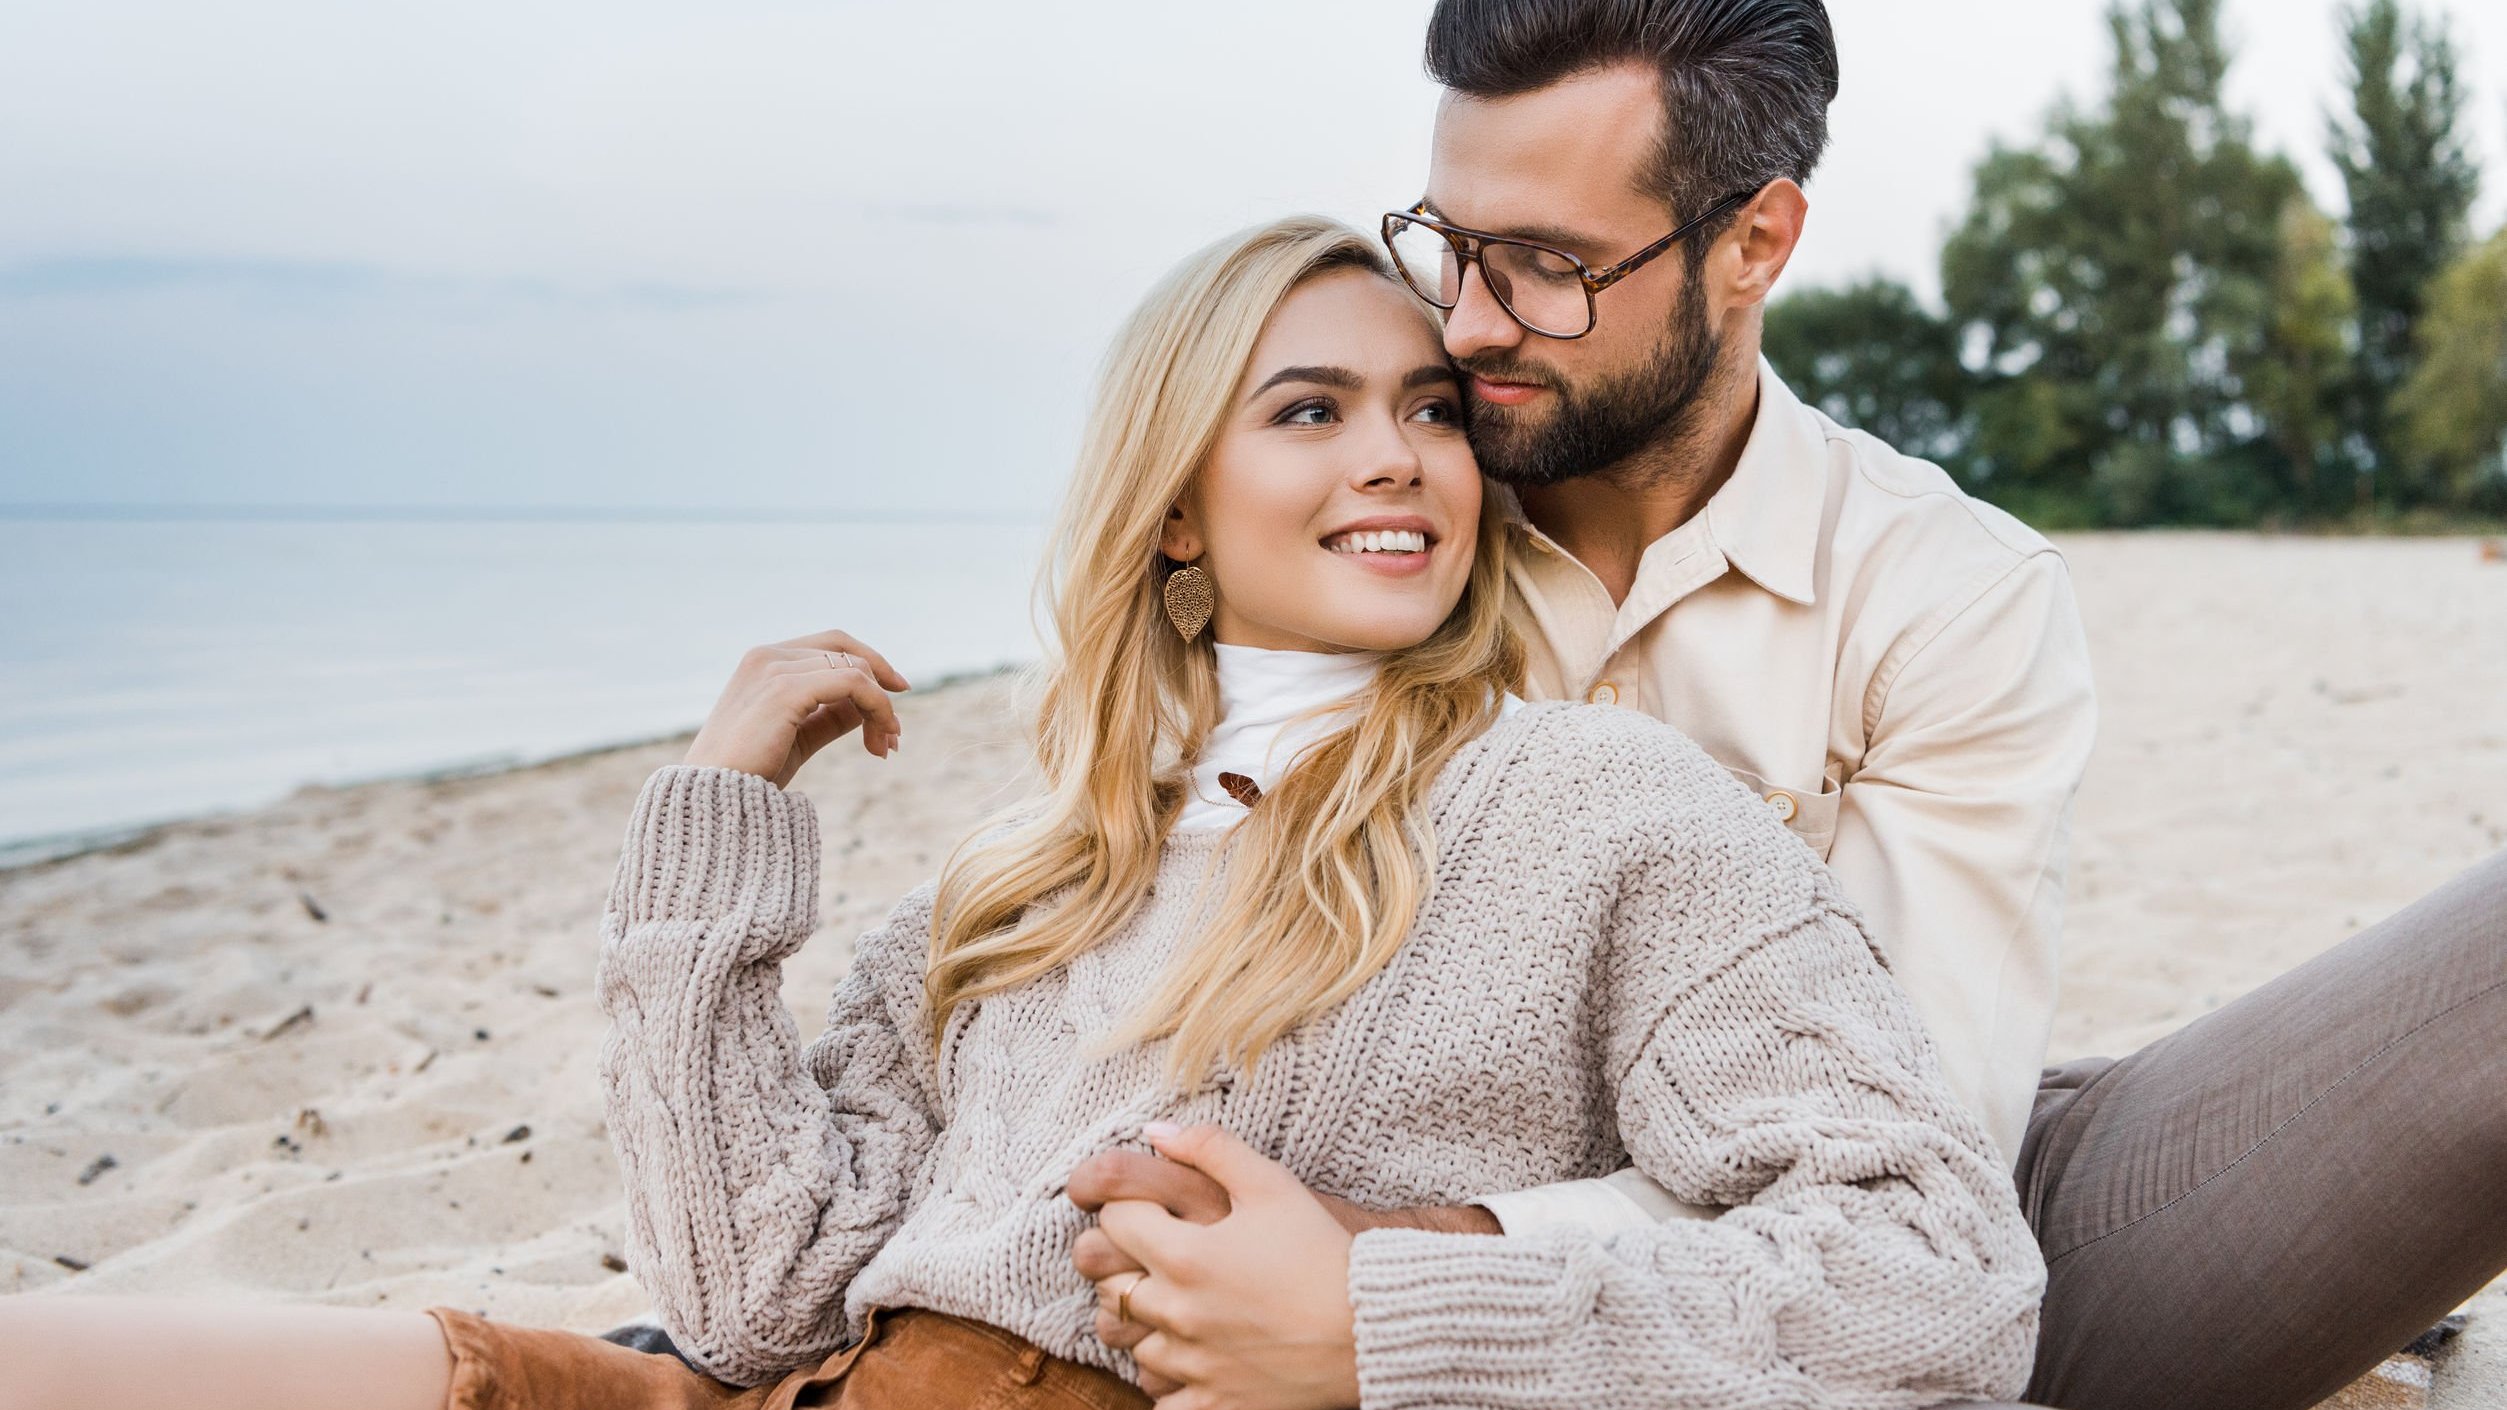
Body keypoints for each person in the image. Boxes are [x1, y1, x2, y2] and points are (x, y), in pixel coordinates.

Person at [0, 218, 2051, 1410]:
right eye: (1311, 408)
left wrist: (1392, 1319)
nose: (1405, 457)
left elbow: (1943, 1271)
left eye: (1433, 408)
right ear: (1175, 504)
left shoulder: (1597, 808)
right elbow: (750, 1300)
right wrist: (718, 824)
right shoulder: (1035, 875)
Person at [1063, 6, 2507, 1410]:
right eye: (1447, 244)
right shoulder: (1380, 529)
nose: (1467, 321)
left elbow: (1927, 1178)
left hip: (1869, 1253)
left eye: (1546, 264)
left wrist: (1390, 1272)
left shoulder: (1952, 594)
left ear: (1755, 242)